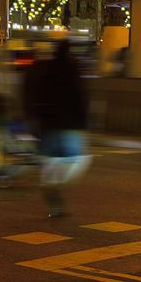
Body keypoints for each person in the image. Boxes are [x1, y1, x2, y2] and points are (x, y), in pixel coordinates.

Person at [35, 40, 90, 219]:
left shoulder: (46, 70)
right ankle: (56, 186)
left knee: (51, 162)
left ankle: (52, 190)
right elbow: (81, 97)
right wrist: (84, 122)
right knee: (77, 160)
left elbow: (38, 96)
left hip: (49, 124)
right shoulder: (73, 70)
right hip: (70, 124)